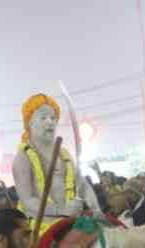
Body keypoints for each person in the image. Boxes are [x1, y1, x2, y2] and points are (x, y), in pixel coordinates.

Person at [12, 93, 101, 229]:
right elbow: (28, 200)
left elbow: (82, 185)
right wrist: (62, 210)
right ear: (30, 123)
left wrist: (96, 209)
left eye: (53, 118)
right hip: (39, 228)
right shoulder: (22, 157)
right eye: (43, 118)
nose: (50, 122)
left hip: (73, 222)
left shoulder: (64, 154)